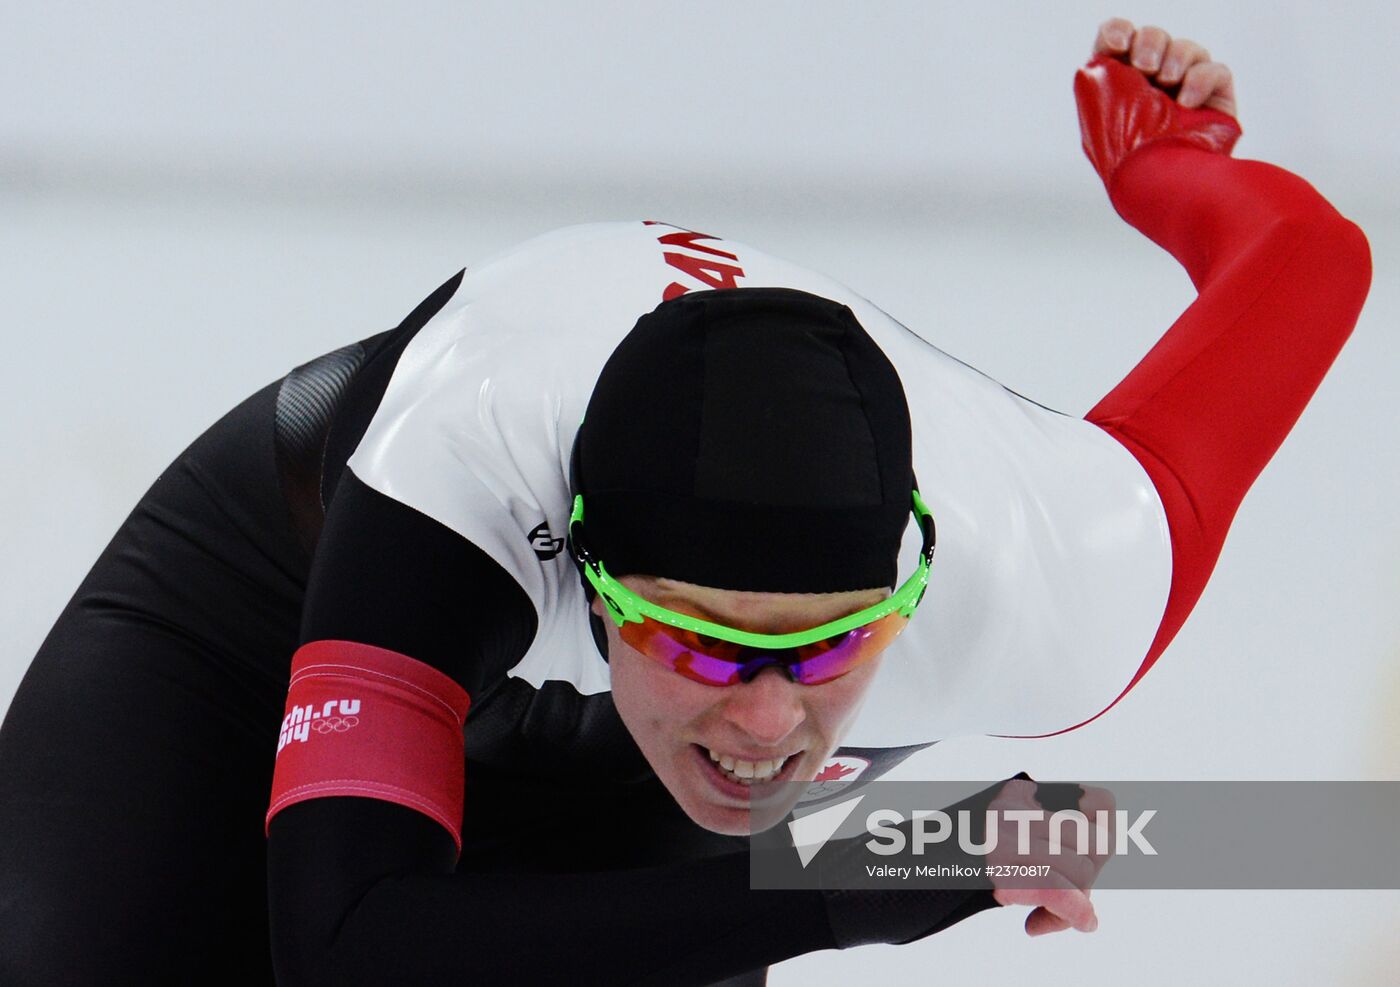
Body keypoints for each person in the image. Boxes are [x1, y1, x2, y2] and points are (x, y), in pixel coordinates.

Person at [0, 18, 1371, 987]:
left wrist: (1170, 158)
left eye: (832, 644)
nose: (771, 723)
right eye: (708, 638)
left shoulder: (1065, 573)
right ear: (587, 574)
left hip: (622, 739)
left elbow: (1309, 258)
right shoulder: (453, 485)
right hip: (260, 616)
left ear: (918, 576)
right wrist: (870, 877)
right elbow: (347, 943)